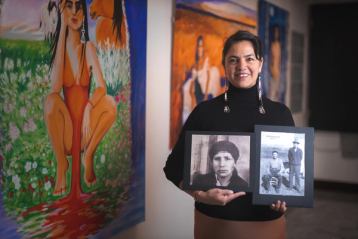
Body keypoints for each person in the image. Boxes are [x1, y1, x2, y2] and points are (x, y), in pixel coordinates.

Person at [164, 30, 295, 239]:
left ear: (260, 64)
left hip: (267, 227)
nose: (242, 66)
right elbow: (172, 168)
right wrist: (200, 195)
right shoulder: (204, 112)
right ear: (225, 65)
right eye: (233, 60)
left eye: (249, 59)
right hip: (214, 226)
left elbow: (289, 176)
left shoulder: (281, 114)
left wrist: (286, 201)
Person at [44, 0, 117, 197]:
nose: (75, 11)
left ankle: (89, 154)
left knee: (110, 103)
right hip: (67, 134)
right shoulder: (61, 49)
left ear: (84, 15)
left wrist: (89, 107)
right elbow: (55, 88)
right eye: (69, 6)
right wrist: (61, 32)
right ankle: (62, 163)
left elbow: (102, 87)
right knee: (51, 102)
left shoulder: (88, 48)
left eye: (78, 7)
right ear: (63, 12)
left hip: (86, 130)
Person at [182, 35, 221, 124]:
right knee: (186, 88)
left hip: (203, 87)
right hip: (196, 87)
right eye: (198, 47)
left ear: (203, 48)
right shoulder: (195, 64)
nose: (200, 49)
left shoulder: (206, 60)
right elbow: (192, 79)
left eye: (201, 47)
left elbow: (208, 78)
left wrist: (206, 95)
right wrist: (191, 94)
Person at [268, 25, 281, 102]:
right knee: (272, 90)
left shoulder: (278, 45)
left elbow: (279, 59)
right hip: (273, 68)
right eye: (275, 32)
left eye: (277, 33)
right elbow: (271, 57)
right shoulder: (272, 45)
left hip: (277, 69)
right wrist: (271, 67)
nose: (276, 34)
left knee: (276, 90)